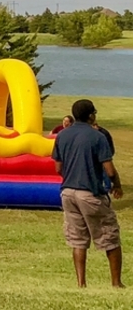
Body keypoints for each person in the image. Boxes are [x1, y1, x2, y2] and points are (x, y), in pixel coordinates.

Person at [53, 99, 123, 288]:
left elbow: (58, 167)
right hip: (90, 193)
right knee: (110, 236)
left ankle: (81, 283)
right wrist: (116, 184)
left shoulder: (63, 135)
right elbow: (109, 170)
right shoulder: (97, 137)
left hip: (67, 192)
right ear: (91, 115)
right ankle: (116, 283)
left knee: (78, 239)